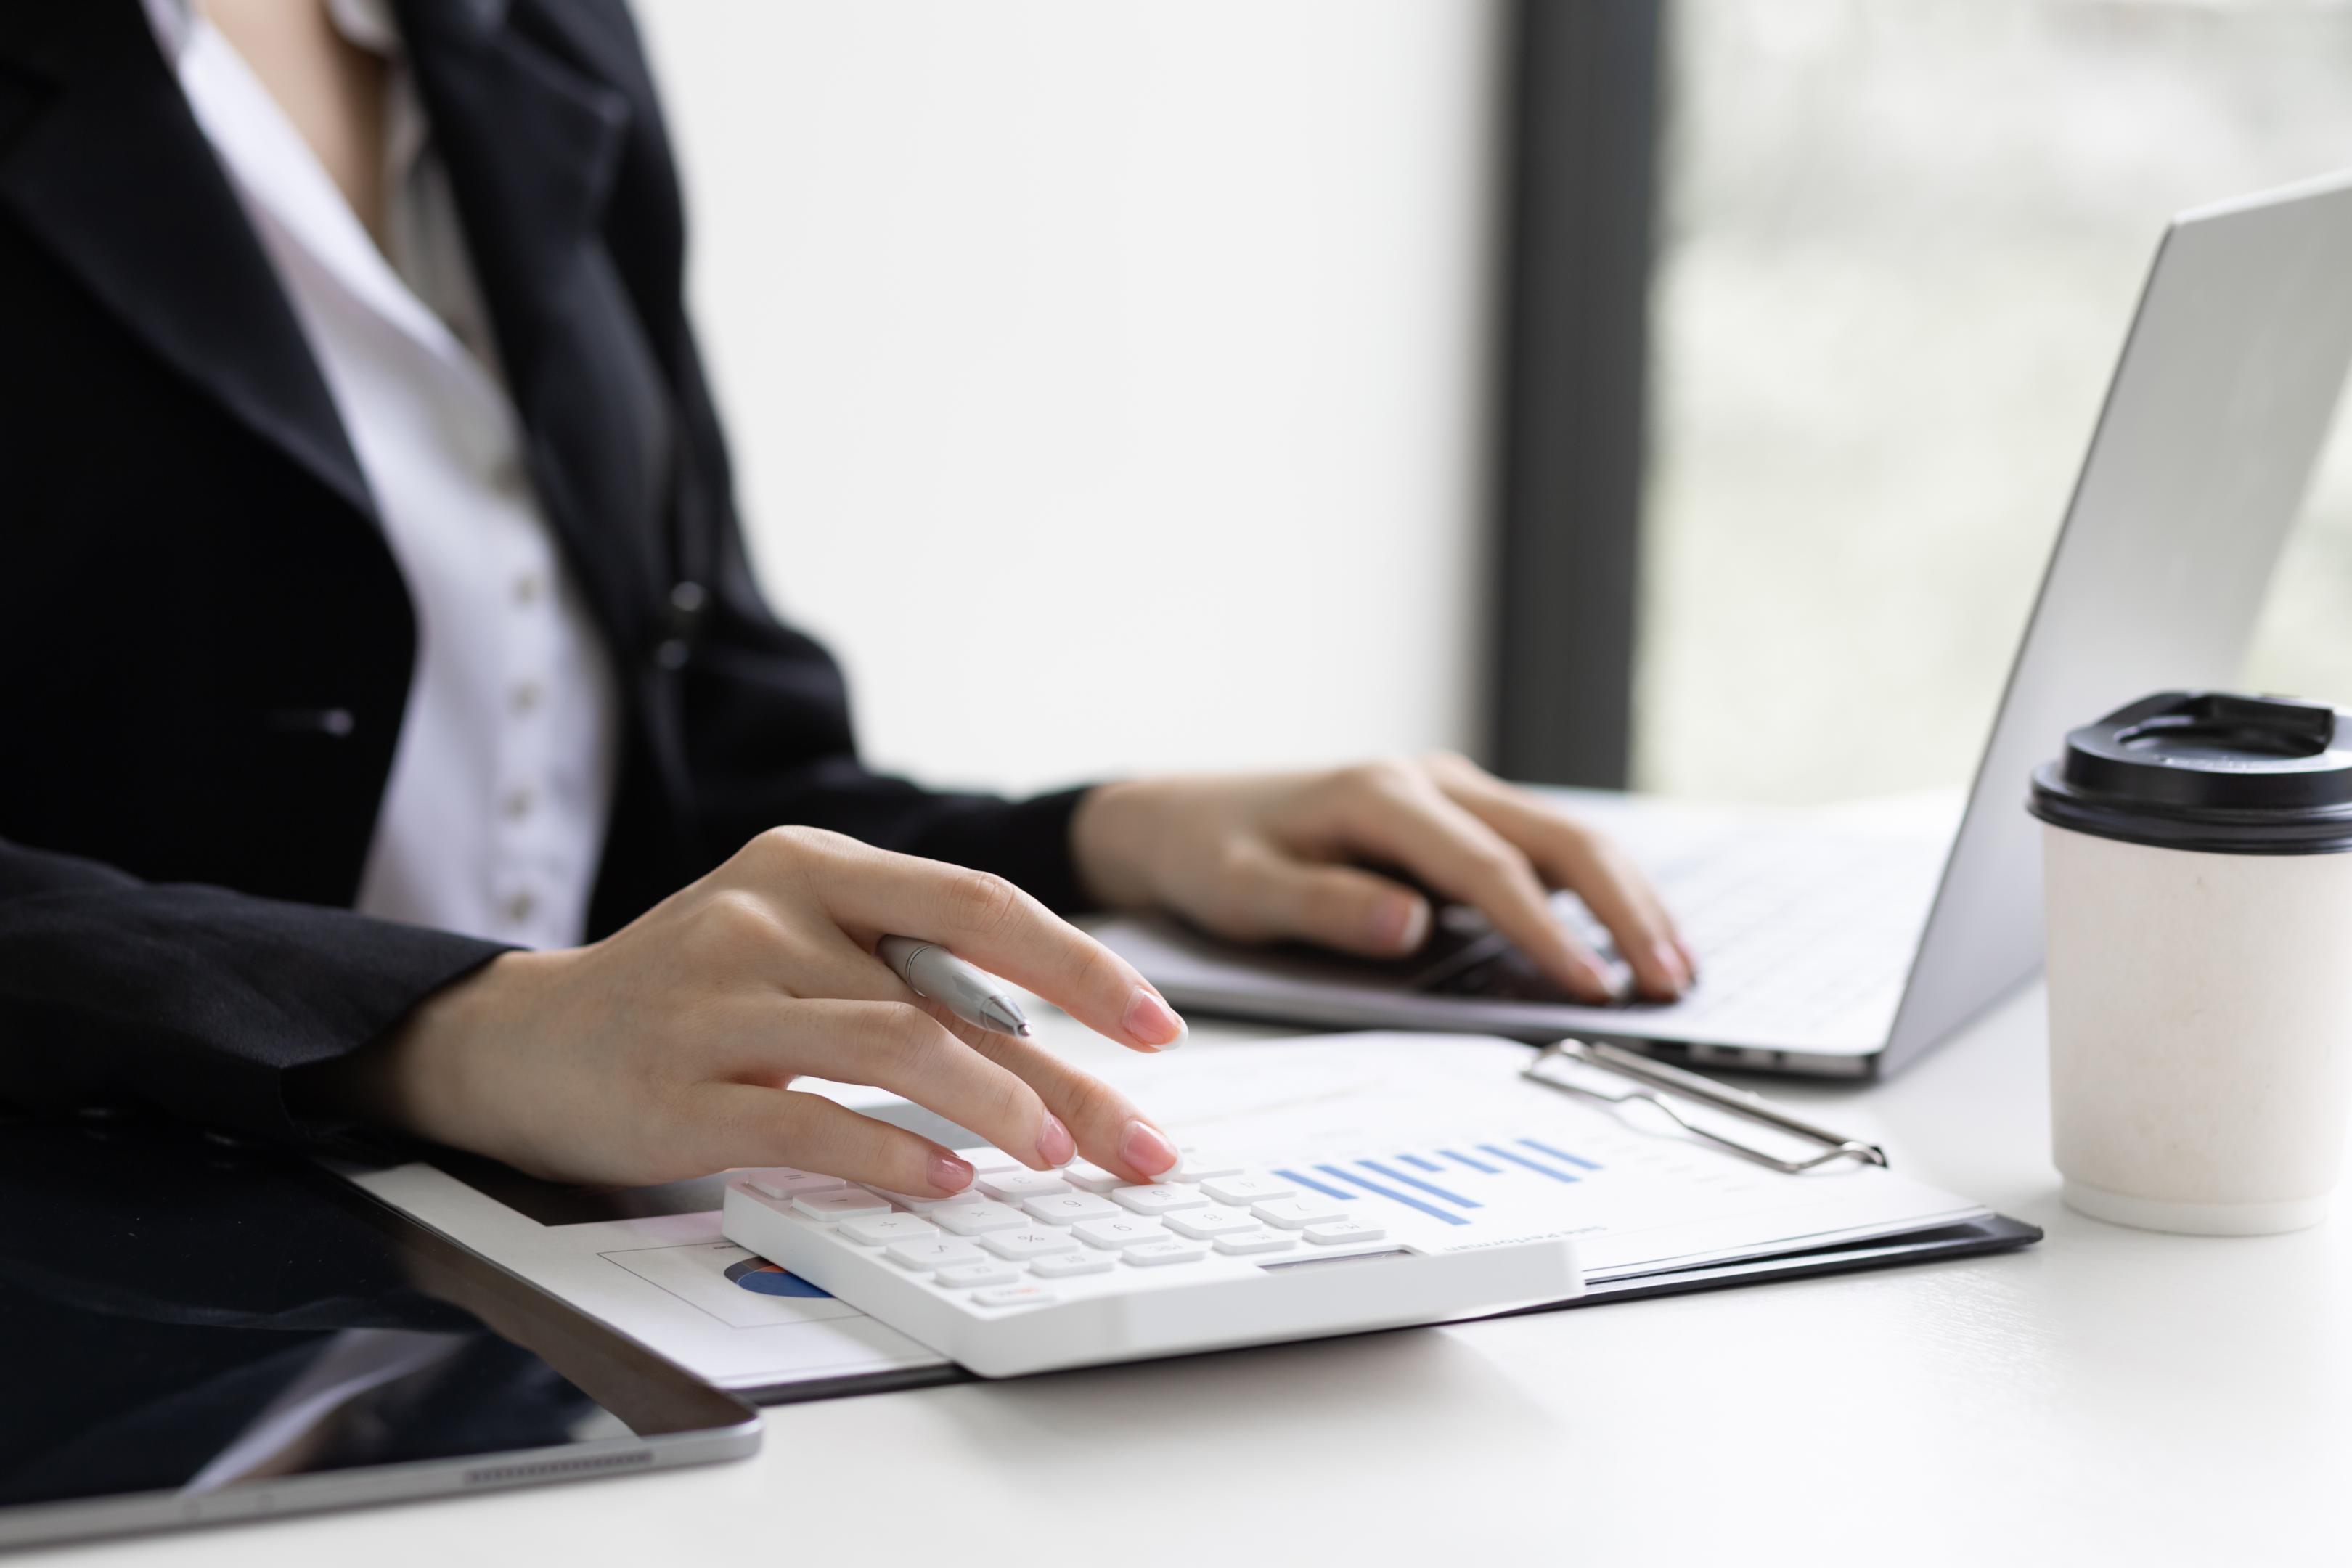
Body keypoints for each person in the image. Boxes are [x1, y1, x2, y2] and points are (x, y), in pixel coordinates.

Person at [0, 0, 1691, 1204]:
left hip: (554, 1273)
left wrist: (1112, 839)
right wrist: (458, 1033)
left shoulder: (524, 35)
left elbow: (698, 772)